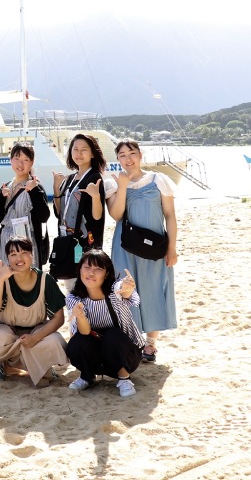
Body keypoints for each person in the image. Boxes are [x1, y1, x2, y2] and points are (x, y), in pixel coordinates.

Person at [106, 139, 178, 363]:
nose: (128, 159)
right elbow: (116, 215)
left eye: (132, 153)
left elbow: (170, 216)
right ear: (118, 159)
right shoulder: (113, 183)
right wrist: (123, 186)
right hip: (125, 246)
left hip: (154, 245)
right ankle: (132, 340)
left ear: (140, 155)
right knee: (125, 289)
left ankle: (150, 344)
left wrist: (172, 247)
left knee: (153, 287)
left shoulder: (159, 179)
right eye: (122, 155)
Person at [0, 236, 68, 385]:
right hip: (8, 332)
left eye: (24, 253)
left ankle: (41, 366)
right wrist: (1, 280)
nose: (19, 258)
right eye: (13, 254)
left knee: (55, 341)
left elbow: (59, 318)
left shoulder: (45, 280)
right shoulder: (2, 278)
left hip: (36, 332)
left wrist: (35, 338)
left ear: (32, 255)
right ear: (8, 258)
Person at [65, 249, 144, 396]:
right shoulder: (74, 298)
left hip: (126, 354)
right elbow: (85, 332)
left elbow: (124, 291)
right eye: (87, 267)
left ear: (106, 273)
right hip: (98, 357)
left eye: (98, 269)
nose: (91, 273)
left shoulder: (114, 290)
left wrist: (127, 287)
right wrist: (80, 316)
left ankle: (124, 378)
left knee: (112, 335)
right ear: (80, 270)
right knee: (77, 341)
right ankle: (87, 376)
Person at [51, 133, 107, 292]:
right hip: (67, 239)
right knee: (70, 285)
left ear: (93, 153)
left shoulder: (94, 178)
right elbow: (60, 212)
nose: (79, 153)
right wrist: (56, 188)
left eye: (84, 149)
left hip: (83, 242)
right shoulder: (69, 179)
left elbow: (97, 217)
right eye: (75, 149)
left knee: (84, 285)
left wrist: (95, 196)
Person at [0, 142, 51, 269]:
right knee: (5, 278)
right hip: (6, 244)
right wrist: (1, 197)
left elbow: (44, 217)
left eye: (26, 160)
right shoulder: (6, 186)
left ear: (32, 162)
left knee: (27, 278)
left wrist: (35, 191)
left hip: (27, 244)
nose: (20, 164)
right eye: (17, 159)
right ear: (11, 160)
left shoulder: (36, 187)